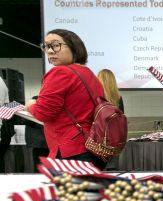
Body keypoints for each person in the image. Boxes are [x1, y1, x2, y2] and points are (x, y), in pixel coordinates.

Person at [25, 29, 106, 170]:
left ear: (73, 47)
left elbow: (43, 113)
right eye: (46, 46)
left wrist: (31, 104)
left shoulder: (60, 72)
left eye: (56, 45)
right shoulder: (89, 74)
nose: (49, 51)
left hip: (69, 151)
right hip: (92, 148)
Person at [25, 96, 49, 171]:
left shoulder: (37, 111)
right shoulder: (44, 110)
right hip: (42, 144)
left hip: (40, 144)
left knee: (39, 167)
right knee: (41, 166)